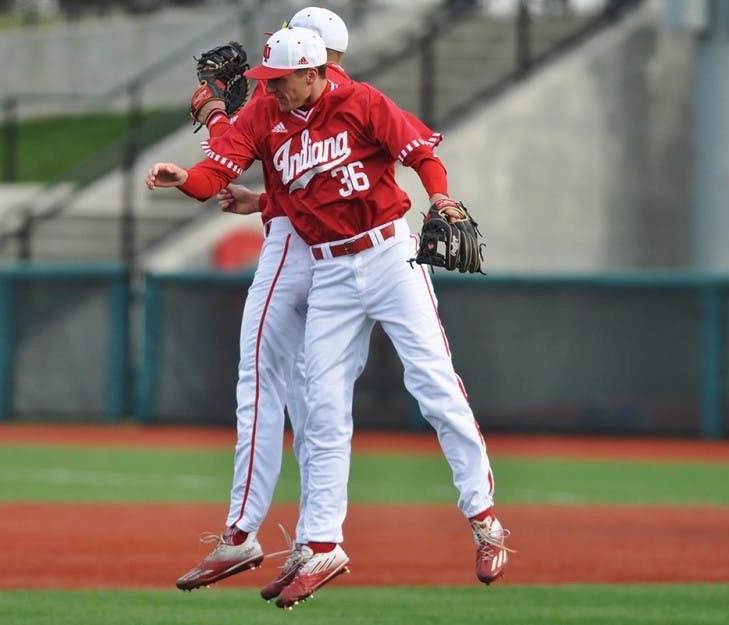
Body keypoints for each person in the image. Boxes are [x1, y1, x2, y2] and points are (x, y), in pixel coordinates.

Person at [148, 26, 511, 608]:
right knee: (320, 407)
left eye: (281, 79)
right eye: (267, 80)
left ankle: (486, 522)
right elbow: (223, 178)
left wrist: (441, 198)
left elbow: (420, 153)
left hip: (391, 255)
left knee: (436, 386)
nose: (270, 89)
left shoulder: (359, 101)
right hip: (332, 273)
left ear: (314, 72)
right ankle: (323, 544)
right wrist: (182, 179)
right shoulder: (268, 112)